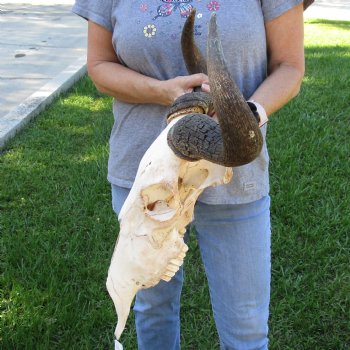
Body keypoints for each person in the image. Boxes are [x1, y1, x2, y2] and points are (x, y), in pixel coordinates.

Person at [73, 1, 306, 349]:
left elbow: (289, 67)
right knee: (153, 308)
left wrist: (246, 115)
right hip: (148, 179)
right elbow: (99, 65)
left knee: (245, 327)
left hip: (234, 176)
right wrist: (165, 92)